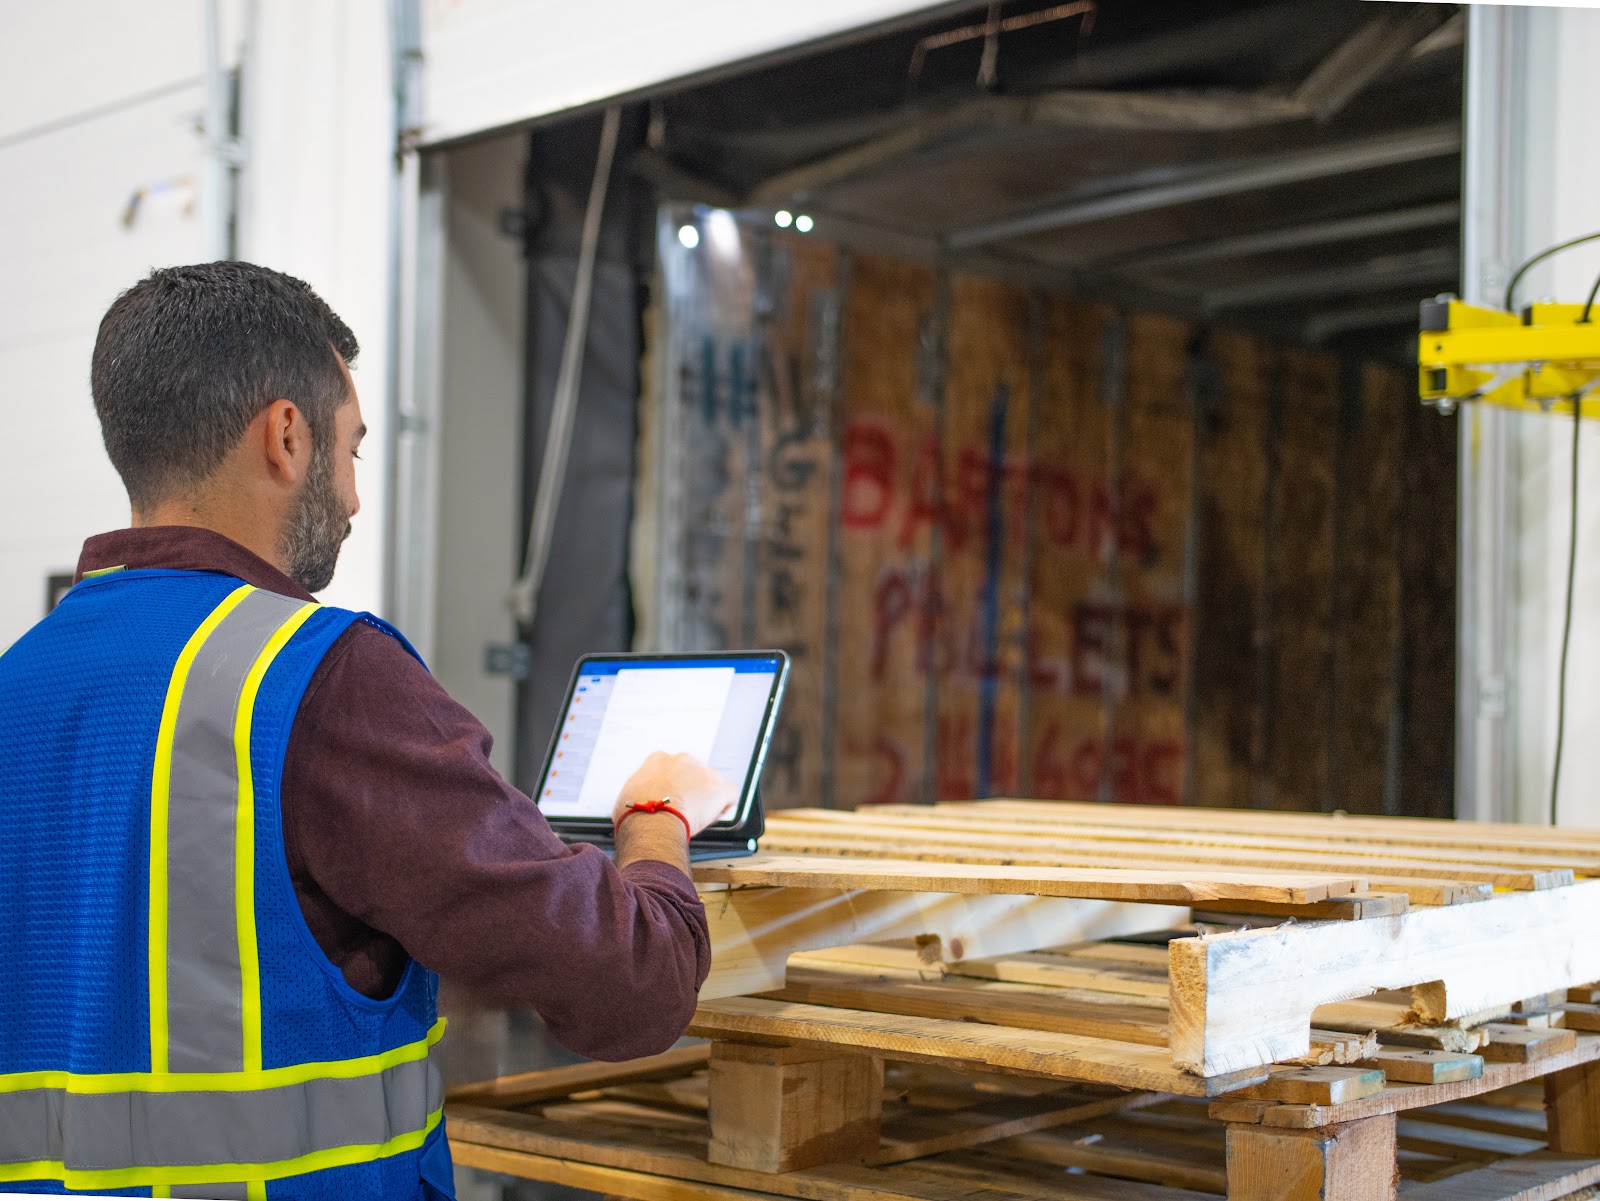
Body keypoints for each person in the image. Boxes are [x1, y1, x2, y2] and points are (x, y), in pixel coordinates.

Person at [0, 261, 736, 1200]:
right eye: (350, 450)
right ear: (287, 435)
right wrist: (657, 818)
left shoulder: (19, 681)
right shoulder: (317, 677)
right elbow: (630, 984)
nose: (353, 498)